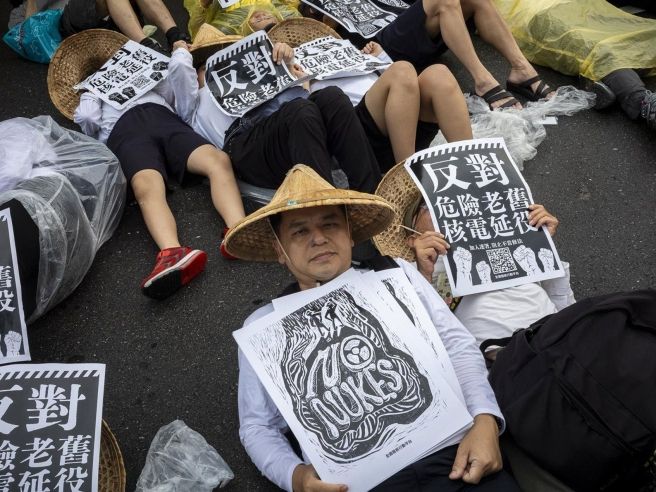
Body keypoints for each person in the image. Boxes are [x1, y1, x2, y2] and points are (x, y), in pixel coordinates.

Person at [225, 164, 520, 492]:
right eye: (299, 232)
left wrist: (484, 420)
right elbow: (258, 426)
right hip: (358, 483)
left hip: (454, 454)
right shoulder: (264, 327)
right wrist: (297, 477)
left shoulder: (398, 274)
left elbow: (457, 346)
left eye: (330, 224)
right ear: (280, 251)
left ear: (350, 233)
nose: (319, 238)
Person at [66, 31, 245, 299]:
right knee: (147, 186)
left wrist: (174, 59)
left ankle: (238, 228)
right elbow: (88, 119)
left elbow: (176, 95)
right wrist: (92, 91)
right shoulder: (93, 92)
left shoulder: (144, 76)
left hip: (160, 121)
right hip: (128, 131)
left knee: (215, 160)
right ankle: (174, 250)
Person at [373, 162, 575, 352]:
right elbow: (418, 343)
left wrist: (543, 244)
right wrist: (423, 275)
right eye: (431, 205)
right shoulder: (409, 272)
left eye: (454, 202)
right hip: (499, 358)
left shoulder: (513, 246)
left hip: (560, 339)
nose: (447, 210)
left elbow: (564, 306)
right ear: (412, 238)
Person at [167, 25, 382, 192]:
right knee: (300, 110)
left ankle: (371, 196)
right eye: (205, 68)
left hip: (288, 125)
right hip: (245, 147)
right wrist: (181, 49)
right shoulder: (193, 105)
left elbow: (298, 98)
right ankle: (325, 210)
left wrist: (286, 62)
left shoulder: (253, 80)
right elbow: (179, 68)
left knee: (332, 96)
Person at [289, 31, 472, 172]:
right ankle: (405, 179)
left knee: (438, 74)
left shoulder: (353, 55)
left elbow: (405, 85)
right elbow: (302, 119)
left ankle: (476, 167)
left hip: (399, 115)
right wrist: (303, 85)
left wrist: (380, 57)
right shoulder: (298, 72)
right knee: (402, 70)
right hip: (354, 130)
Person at [492, 0, 656, 130]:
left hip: (582, 5)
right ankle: (642, 102)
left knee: (638, 36)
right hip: (536, 13)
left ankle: (622, 87)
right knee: (599, 49)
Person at [9, 0, 191, 52]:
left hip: (106, 17)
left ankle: (174, 35)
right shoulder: (20, 10)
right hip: (64, 23)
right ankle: (146, 46)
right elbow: (28, 32)